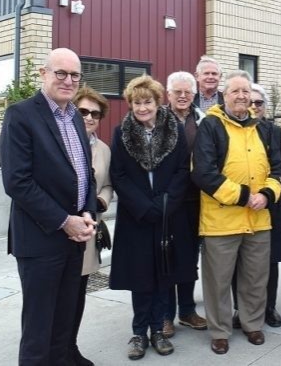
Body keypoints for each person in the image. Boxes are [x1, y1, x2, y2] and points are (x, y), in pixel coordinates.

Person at [0, 47, 97, 365]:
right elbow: (17, 182)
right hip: (41, 240)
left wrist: (87, 214)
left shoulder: (76, 119)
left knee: (63, 324)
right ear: (44, 74)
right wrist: (63, 220)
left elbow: (87, 174)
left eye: (74, 75)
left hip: (73, 240)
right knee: (39, 330)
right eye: (61, 73)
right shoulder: (21, 115)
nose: (68, 80)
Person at [191, 71, 281, 355]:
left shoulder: (264, 129)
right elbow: (203, 174)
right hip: (221, 221)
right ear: (225, 95)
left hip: (259, 219)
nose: (242, 96)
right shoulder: (210, 126)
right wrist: (245, 196)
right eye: (235, 91)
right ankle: (219, 331)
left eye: (246, 92)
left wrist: (267, 195)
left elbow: (278, 170)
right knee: (218, 281)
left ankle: (252, 324)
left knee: (255, 277)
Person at [108, 76, 195, 360]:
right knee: (140, 275)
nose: (142, 107)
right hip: (137, 217)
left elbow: (183, 170)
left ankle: (158, 329)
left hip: (169, 215)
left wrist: (164, 204)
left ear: (158, 102)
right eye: (137, 102)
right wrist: (144, 207)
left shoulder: (175, 130)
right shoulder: (122, 133)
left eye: (148, 102)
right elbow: (118, 175)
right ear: (130, 104)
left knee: (163, 274)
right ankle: (138, 332)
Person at [232, 83, 281, 328]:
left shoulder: (273, 131)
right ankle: (240, 310)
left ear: (265, 107)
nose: (254, 106)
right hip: (239, 203)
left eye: (259, 103)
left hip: (271, 203)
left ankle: (268, 307)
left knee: (269, 260)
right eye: (250, 101)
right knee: (238, 260)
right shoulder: (230, 130)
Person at [70, 86, 115, 366]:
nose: (88, 117)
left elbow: (108, 184)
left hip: (88, 230)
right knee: (56, 298)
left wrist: (101, 200)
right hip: (61, 230)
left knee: (77, 295)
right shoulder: (60, 142)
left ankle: (69, 347)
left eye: (95, 114)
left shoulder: (104, 150)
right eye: (83, 111)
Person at [162, 72, 208, 337]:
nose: (182, 96)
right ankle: (167, 315)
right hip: (168, 200)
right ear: (168, 94)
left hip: (196, 199)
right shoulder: (158, 119)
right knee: (168, 256)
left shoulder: (203, 120)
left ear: (194, 94)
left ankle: (188, 311)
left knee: (189, 258)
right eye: (177, 91)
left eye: (187, 92)